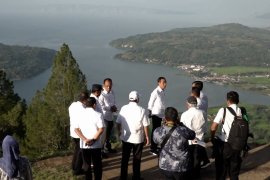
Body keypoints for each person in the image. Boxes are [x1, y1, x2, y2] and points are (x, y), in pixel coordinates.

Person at [153, 107, 195, 180]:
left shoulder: (157, 131)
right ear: (177, 118)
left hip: (165, 166)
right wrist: (181, 124)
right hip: (182, 166)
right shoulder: (183, 130)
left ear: (165, 118)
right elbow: (192, 135)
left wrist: (163, 125)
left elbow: (155, 141)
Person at [116, 91, 150, 180]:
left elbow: (118, 122)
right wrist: (147, 137)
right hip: (138, 138)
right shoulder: (142, 110)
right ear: (137, 99)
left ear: (129, 99)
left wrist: (119, 132)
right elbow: (145, 125)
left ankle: (123, 177)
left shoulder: (123, 108)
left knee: (125, 158)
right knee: (137, 159)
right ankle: (136, 177)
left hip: (126, 138)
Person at [210, 91, 243, 180]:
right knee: (234, 172)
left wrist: (212, 138)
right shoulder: (241, 111)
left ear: (228, 100)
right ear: (238, 101)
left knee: (221, 171)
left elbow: (213, 127)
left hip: (225, 144)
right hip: (237, 145)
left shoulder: (223, 110)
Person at [75, 97, 105, 180]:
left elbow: (76, 129)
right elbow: (101, 129)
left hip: (84, 145)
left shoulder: (80, 115)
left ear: (85, 104)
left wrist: (84, 139)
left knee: (86, 165)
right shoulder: (98, 115)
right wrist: (93, 140)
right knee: (97, 165)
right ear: (94, 105)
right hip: (96, 145)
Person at [180, 96, 207, 178]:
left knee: (188, 157)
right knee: (197, 157)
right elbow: (205, 126)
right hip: (200, 138)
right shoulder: (203, 112)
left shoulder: (184, 114)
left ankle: (189, 174)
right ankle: (196, 175)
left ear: (188, 104)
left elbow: (182, 129)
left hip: (189, 140)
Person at [68, 91, 89, 175]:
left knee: (77, 150)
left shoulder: (72, 105)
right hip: (80, 133)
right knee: (80, 151)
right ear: (85, 100)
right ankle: (77, 170)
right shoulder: (83, 109)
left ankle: (74, 166)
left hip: (73, 131)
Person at [148, 77, 167, 155]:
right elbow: (150, 103)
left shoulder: (162, 92)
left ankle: (155, 146)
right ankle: (152, 148)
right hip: (156, 114)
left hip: (161, 114)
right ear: (158, 83)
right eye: (163, 82)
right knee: (154, 131)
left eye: (165, 82)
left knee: (158, 131)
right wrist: (150, 112)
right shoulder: (155, 92)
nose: (165, 84)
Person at [99, 78, 118, 153]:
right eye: (107, 86)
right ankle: (102, 150)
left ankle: (108, 147)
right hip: (105, 117)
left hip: (111, 116)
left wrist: (115, 107)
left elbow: (114, 101)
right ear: (104, 85)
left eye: (110, 86)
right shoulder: (101, 94)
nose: (109, 88)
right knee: (104, 135)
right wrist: (110, 108)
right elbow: (101, 106)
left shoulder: (112, 92)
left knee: (109, 134)